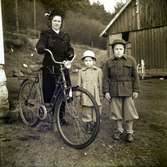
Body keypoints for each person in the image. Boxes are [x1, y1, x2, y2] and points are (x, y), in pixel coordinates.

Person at [36, 9, 74, 125]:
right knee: (50, 91)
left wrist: (70, 53)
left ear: (61, 23)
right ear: (51, 21)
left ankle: (60, 117)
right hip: (50, 66)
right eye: (55, 20)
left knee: (63, 91)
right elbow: (40, 44)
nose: (57, 23)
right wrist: (41, 47)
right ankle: (49, 114)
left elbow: (69, 48)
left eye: (59, 21)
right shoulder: (46, 34)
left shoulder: (65, 36)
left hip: (62, 67)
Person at [103, 39, 140, 142]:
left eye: (120, 49)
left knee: (129, 112)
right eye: (116, 49)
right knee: (116, 112)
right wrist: (106, 91)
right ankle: (119, 130)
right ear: (113, 50)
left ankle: (129, 132)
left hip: (128, 90)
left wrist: (136, 90)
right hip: (114, 91)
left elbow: (135, 77)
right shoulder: (108, 62)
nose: (118, 51)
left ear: (124, 50)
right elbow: (105, 78)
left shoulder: (131, 60)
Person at [78, 50, 103, 132]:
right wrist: (78, 95)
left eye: (90, 60)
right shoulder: (81, 71)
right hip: (85, 93)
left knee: (96, 109)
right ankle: (88, 123)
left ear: (94, 61)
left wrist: (101, 94)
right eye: (86, 61)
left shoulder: (98, 71)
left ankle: (96, 123)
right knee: (86, 109)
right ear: (83, 61)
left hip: (95, 93)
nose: (88, 62)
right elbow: (78, 84)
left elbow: (101, 83)